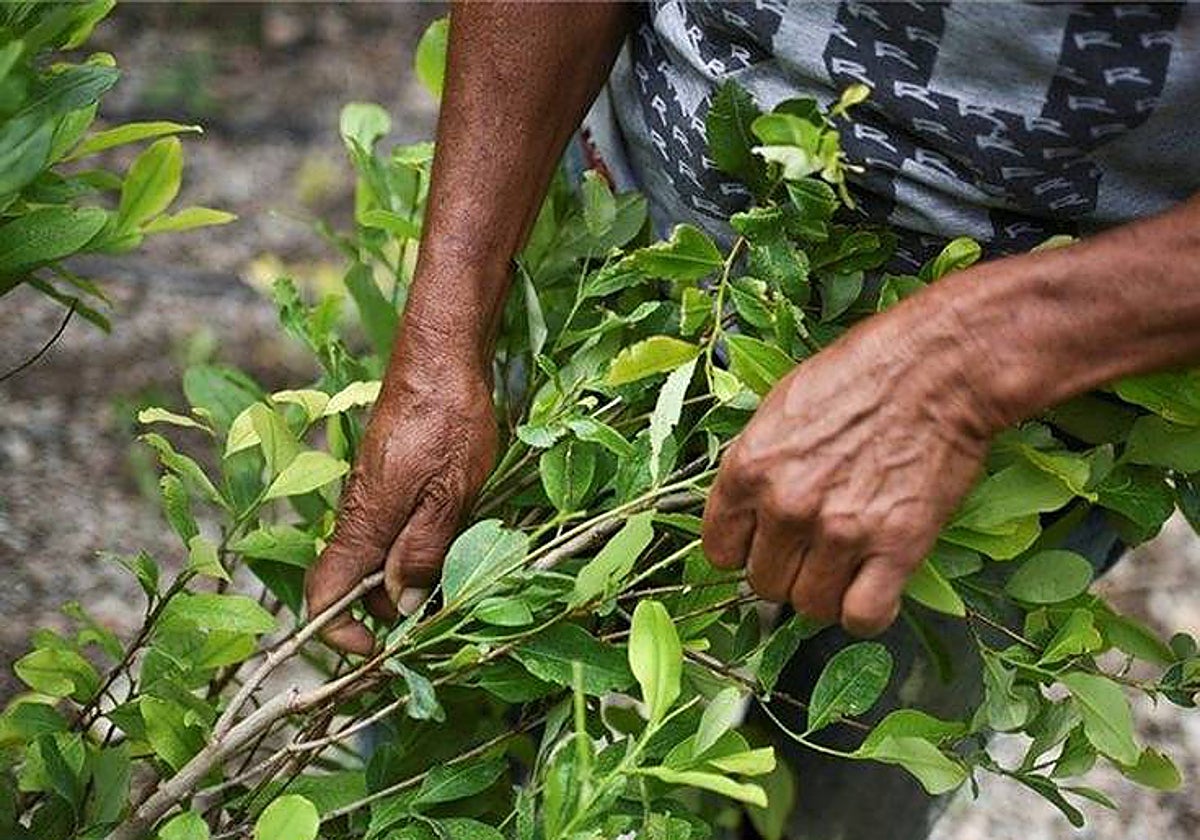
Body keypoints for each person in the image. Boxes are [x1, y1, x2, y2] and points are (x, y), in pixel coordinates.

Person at [305, 3, 1200, 837]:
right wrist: (440, 344)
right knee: (448, 734)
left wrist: (965, 367)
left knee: (852, 774)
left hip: (1027, 426)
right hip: (619, 284)